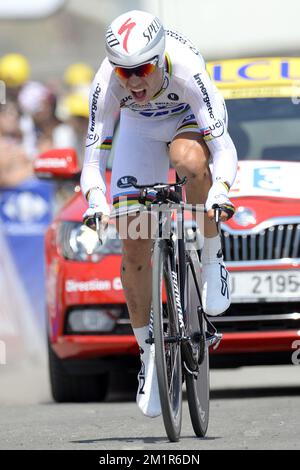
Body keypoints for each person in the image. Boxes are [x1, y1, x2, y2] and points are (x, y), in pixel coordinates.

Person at [80, 10, 238, 418]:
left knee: (186, 157)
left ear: (160, 58)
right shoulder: (107, 83)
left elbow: (223, 149)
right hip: (139, 133)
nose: (133, 82)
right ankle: (149, 354)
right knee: (134, 245)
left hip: (186, 123)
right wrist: (96, 204)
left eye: (142, 70)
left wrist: (220, 191)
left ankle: (211, 257)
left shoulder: (186, 69)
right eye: (123, 72)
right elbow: (93, 162)